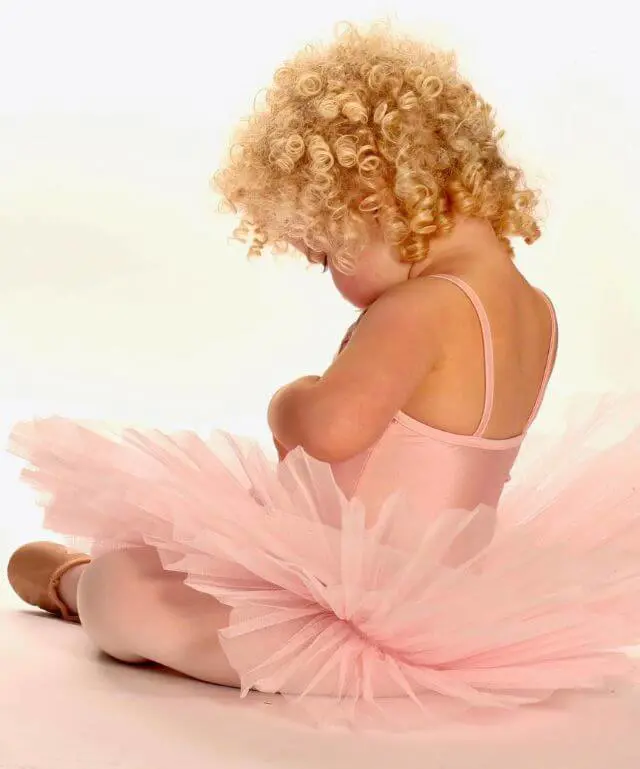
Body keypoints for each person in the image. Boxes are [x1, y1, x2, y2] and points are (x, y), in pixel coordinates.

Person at [7, 24, 640, 730]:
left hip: (351, 623)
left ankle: (75, 586)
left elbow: (332, 430)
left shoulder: (419, 308)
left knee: (125, 589)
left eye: (325, 254)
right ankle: (93, 579)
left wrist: (291, 401)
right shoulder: (534, 311)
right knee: (184, 568)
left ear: (371, 200)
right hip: (456, 613)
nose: (333, 278)